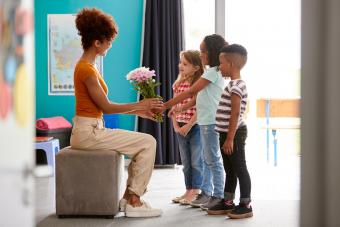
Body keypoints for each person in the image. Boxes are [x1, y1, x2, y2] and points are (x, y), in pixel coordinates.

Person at [71, 8, 163, 218]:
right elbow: (107, 107)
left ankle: (128, 198)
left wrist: (139, 112)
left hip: (91, 129)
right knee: (148, 142)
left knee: (144, 143)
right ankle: (135, 201)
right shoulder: (85, 69)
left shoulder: (88, 67)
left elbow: (103, 107)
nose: (110, 46)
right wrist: (141, 105)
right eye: (108, 41)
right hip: (88, 133)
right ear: (97, 42)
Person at [165, 34, 227, 210]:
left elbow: (191, 92)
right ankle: (207, 193)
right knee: (208, 159)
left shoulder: (213, 72)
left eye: (203, 51)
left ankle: (218, 195)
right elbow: (198, 98)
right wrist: (181, 109)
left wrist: (167, 105)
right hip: (206, 122)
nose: (200, 55)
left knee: (212, 160)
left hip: (210, 122)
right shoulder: (211, 72)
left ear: (211, 53)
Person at [207, 44, 253, 218]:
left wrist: (230, 139)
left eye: (222, 63)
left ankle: (246, 204)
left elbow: (235, 113)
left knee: (240, 167)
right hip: (226, 133)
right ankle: (227, 202)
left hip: (234, 134)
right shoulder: (232, 84)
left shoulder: (236, 86)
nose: (220, 67)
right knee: (230, 169)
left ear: (232, 64)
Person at [170, 50, 204, 205]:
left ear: (196, 67)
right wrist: (176, 126)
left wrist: (189, 125)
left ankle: (196, 191)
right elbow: (174, 108)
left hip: (194, 126)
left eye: (185, 64)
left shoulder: (197, 85)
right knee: (186, 162)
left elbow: (199, 107)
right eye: (180, 63)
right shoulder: (178, 84)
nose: (180, 66)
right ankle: (188, 189)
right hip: (181, 127)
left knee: (196, 161)